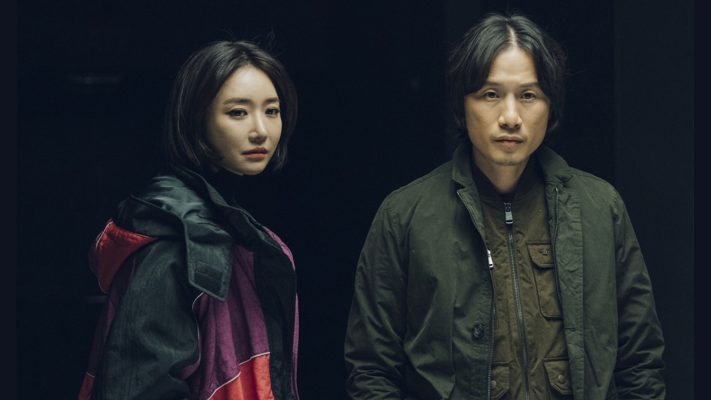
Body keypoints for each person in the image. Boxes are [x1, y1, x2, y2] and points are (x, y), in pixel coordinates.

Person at [344, 12, 665, 400]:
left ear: (551, 106)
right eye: (490, 94)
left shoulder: (599, 208)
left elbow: (641, 361)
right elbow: (372, 369)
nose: (510, 117)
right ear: (462, 105)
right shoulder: (405, 215)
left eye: (528, 95)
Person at [78, 40, 300, 400]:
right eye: (238, 112)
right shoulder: (176, 239)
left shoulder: (235, 219)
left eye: (272, 111)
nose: (261, 129)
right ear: (197, 119)